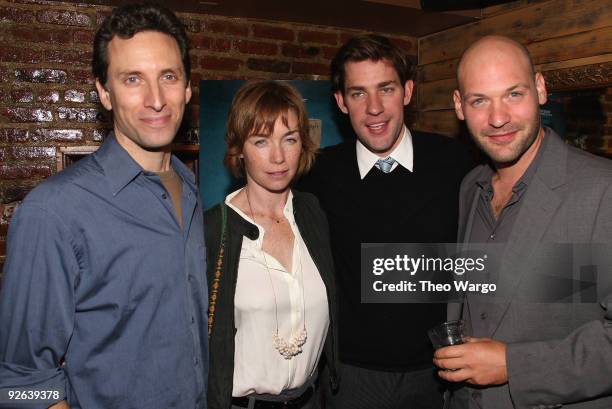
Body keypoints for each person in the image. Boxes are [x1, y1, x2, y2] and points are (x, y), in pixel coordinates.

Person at [0, 4, 208, 408]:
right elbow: (17, 382)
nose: (155, 100)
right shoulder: (55, 211)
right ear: (104, 92)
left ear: (186, 88)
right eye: (133, 79)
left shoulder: (194, 189)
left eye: (168, 76)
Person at [434, 35, 612, 409]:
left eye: (513, 94)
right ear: (459, 106)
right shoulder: (471, 186)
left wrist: (516, 367)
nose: (498, 118)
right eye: (479, 100)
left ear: (540, 89)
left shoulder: (602, 190)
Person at [297, 34, 473, 409]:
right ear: (342, 102)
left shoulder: (458, 165)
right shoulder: (317, 176)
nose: (374, 108)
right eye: (359, 93)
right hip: (351, 377)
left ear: (407, 92)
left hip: (439, 375)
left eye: (386, 89)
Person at [205, 80, 338, 409]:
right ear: (239, 149)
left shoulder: (312, 213)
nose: (278, 156)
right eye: (261, 141)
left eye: (289, 139)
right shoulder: (213, 230)